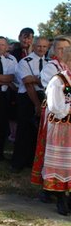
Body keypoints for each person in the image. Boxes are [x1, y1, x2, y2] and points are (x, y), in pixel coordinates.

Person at [33, 46, 71, 215]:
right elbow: (56, 107)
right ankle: (60, 198)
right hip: (61, 128)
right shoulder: (59, 80)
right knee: (61, 165)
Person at [11, 37, 49, 173]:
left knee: (38, 132)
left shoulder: (49, 63)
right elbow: (27, 81)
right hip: (27, 98)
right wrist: (37, 104)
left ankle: (31, 162)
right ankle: (17, 163)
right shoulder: (24, 62)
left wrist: (36, 79)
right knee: (24, 130)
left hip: (44, 96)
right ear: (34, 46)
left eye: (45, 47)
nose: (42, 49)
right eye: (39, 46)